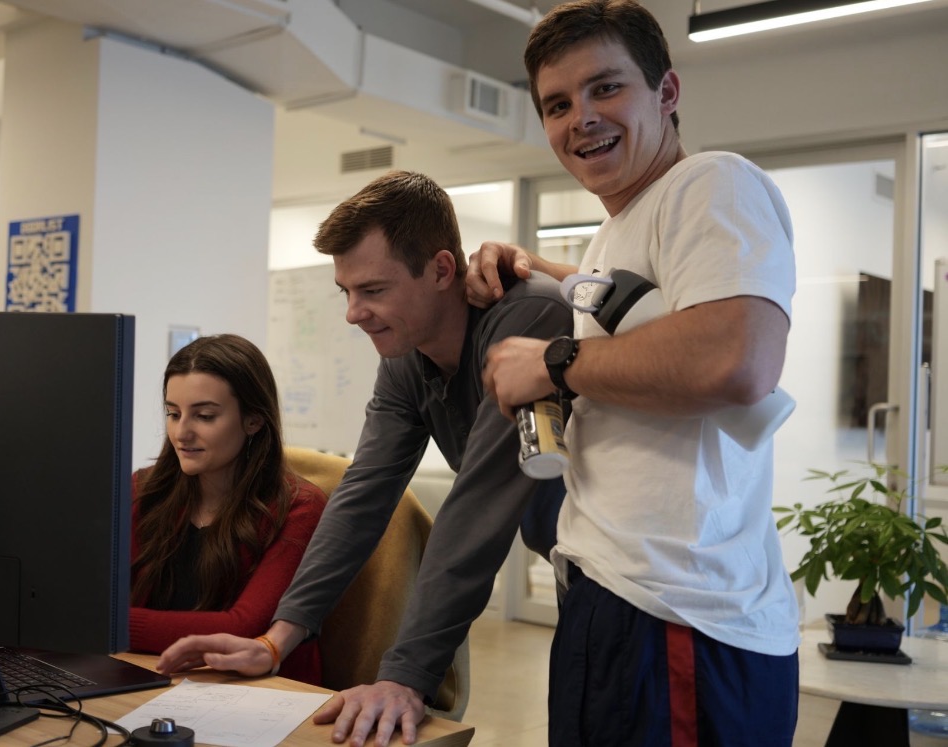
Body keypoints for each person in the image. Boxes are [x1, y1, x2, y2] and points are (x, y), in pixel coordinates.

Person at [469, 1, 801, 744]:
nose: (580, 117)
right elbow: (631, 307)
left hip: (679, 614)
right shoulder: (617, 229)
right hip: (614, 597)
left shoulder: (713, 184)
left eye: (605, 88)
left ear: (668, 93)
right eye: (557, 104)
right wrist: (527, 264)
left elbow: (735, 358)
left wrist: (554, 361)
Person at [158, 170, 572, 747]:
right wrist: (278, 640)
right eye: (346, 292)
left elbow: (476, 507)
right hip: (575, 570)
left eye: (373, 290)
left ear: (442, 270)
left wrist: (405, 676)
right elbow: (362, 496)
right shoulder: (406, 359)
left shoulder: (526, 316)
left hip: (653, 581)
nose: (354, 313)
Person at [128, 333, 327, 685]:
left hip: (257, 693)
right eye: (173, 414)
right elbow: (98, 594)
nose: (181, 433)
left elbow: (242, 628)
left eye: (204, 416)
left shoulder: (299, 507)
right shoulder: (144, 490)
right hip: (151, 675)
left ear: (253, 420)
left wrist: (109, 623)